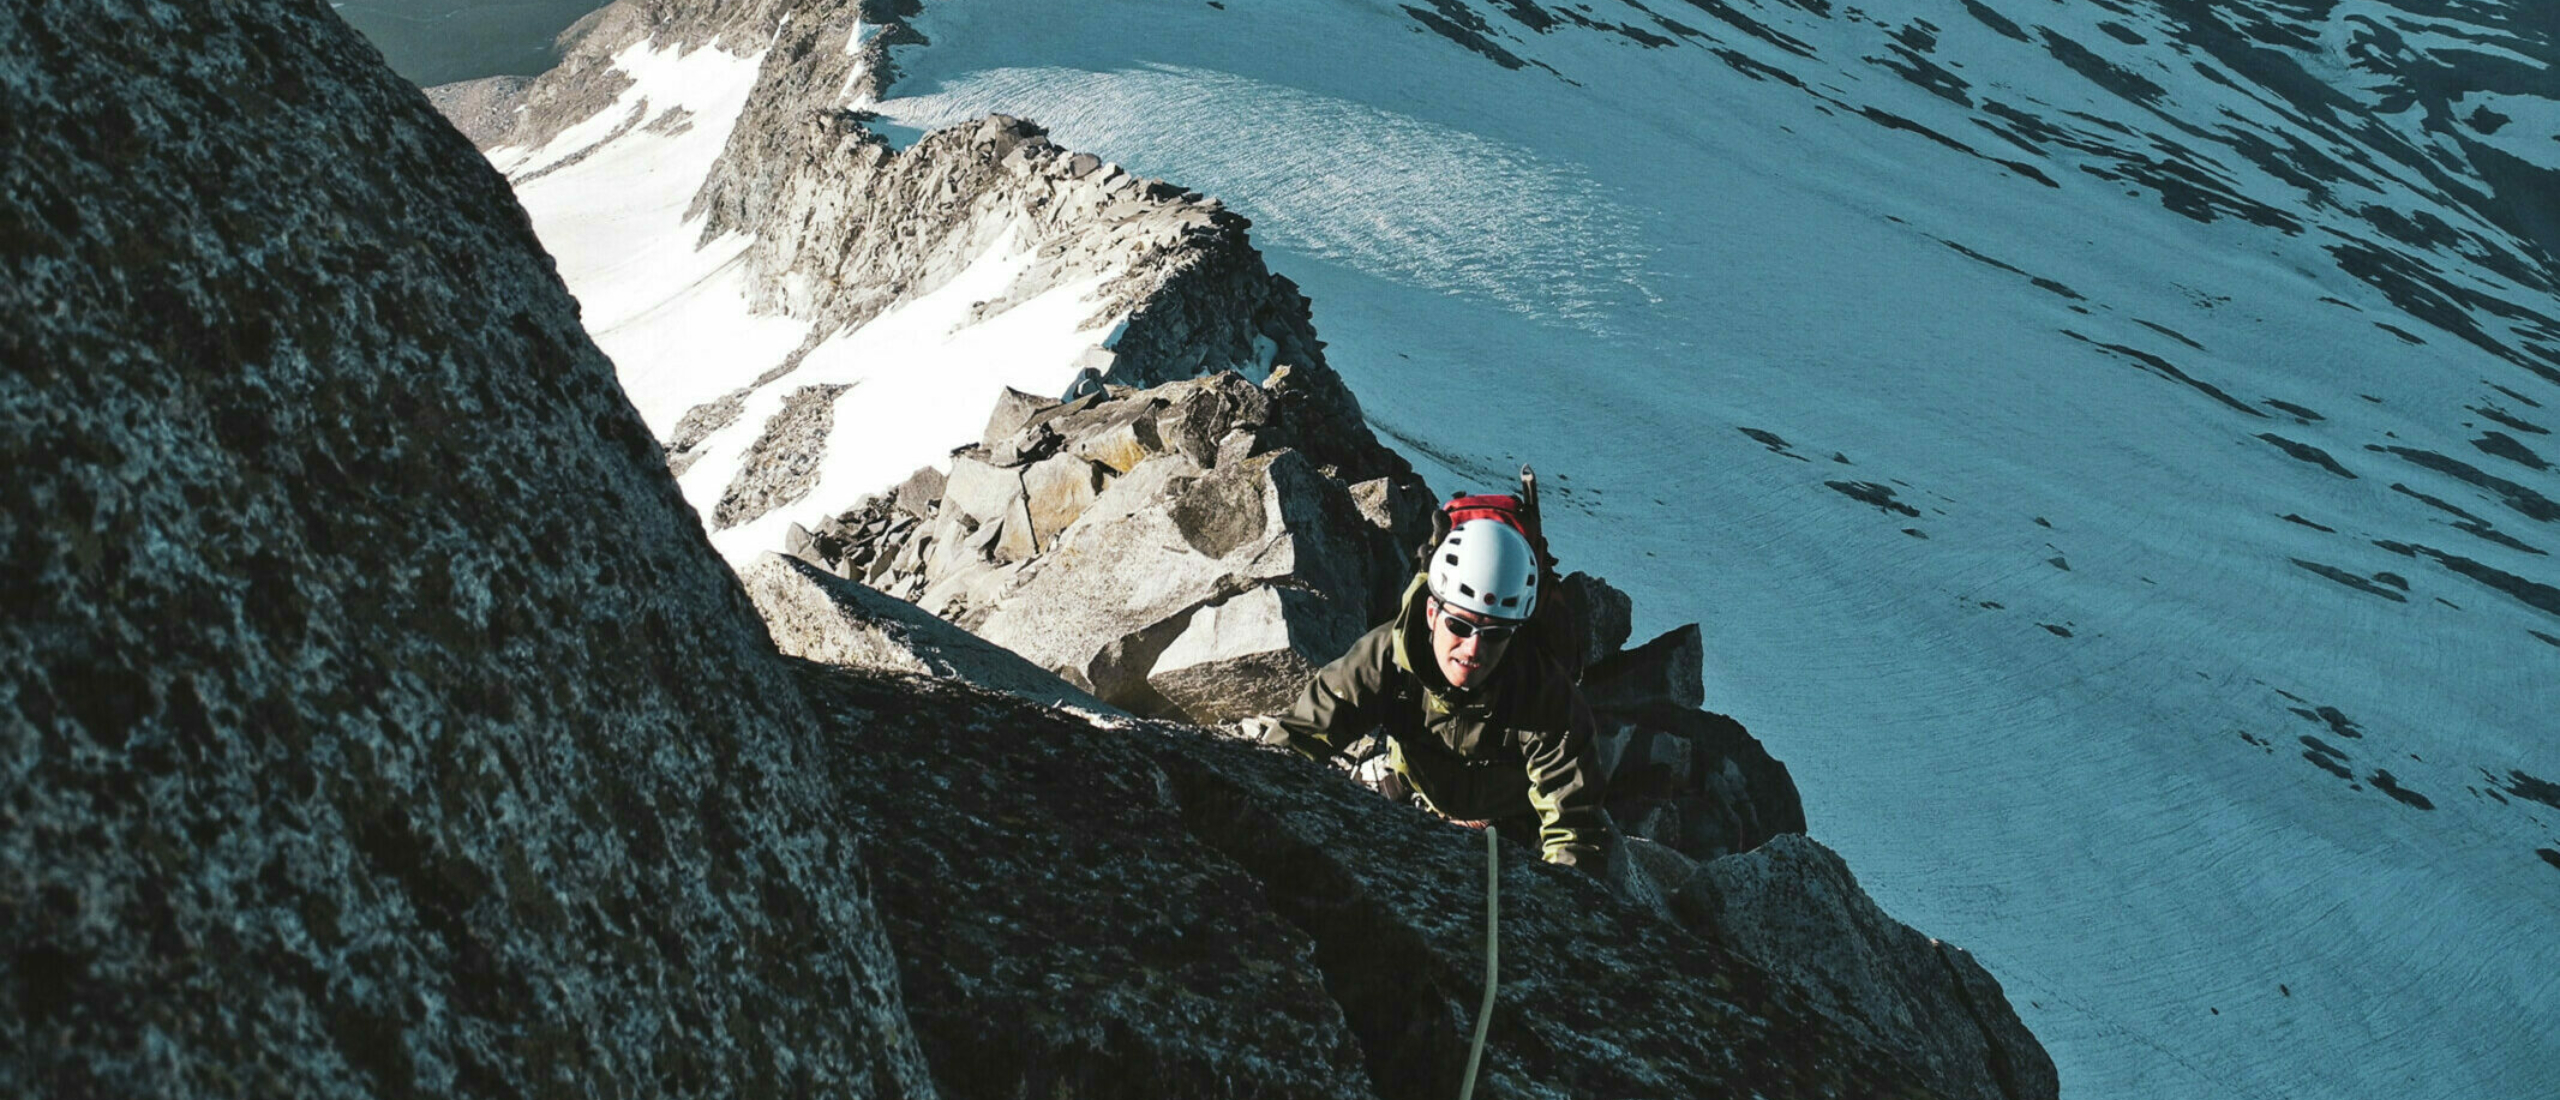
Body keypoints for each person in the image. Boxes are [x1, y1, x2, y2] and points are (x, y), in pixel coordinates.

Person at [1251, 513, 1610, 871]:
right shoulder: (1385, 657)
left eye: (1495, 633)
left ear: (1514, 633)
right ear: (1431, 613)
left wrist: (1562, 897)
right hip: (1415, 782)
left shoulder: (1546, 694)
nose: (1473, 649)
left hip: (1506, 819)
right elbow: (1302, 735)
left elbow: (1573, 824)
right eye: (1459, 624)